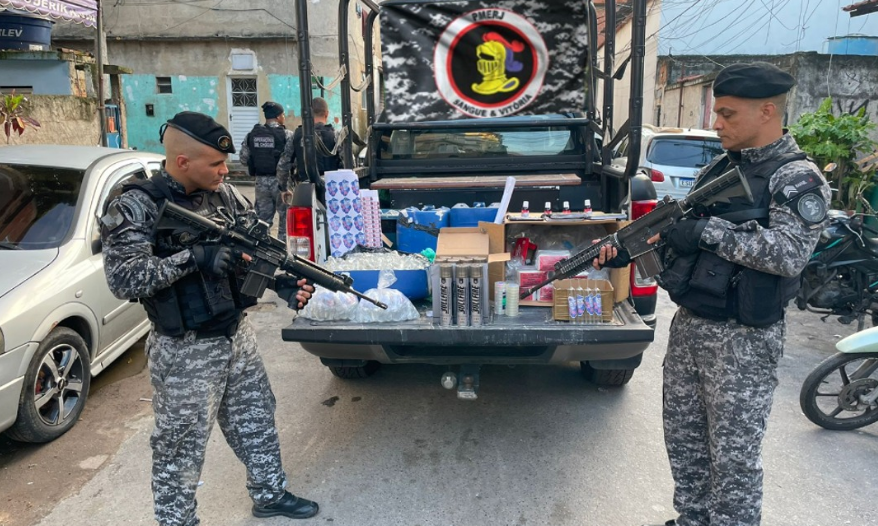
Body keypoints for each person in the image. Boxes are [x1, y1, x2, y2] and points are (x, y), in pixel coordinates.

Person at [595, 62, 831, 526]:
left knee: (733, 459)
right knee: (685, 442)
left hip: (743, 339)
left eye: (727, 114)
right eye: (716, 112)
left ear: (767, 111)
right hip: (692, 326)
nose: (716, 123)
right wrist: (633, 250)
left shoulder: (795, 178)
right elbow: (682, 238)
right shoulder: (721, 168)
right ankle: (692, 519)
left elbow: (788, 254)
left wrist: (708, 233)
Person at [101, 111, 319, 525]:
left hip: (236, 333)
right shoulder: (135, 205)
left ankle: (269, 493)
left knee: (256, 418)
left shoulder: (225, 195)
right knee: (179, 446)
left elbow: (249, 248)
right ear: (183, 162)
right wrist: (193, 258)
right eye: (216, 164)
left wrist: (279, 282)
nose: (225, 170)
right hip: (185, 349)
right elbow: (124, 279)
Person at [240, 101, 295, 238]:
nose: (284, 117)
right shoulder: (287, 135)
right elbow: (292, 160)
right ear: (278, 117)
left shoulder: (252, 135)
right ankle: (283, 246)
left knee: (262, 221)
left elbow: (243, 159)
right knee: (285, 219)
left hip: (260, 182)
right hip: (282, 183)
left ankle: (263, 246)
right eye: (283, 115)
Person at [278, 97, 341, 202]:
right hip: (332, 189)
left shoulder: (296, 135)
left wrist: (284, 188)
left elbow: (283, 165)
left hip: (304, 189)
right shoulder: (336, 135)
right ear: (327, 114)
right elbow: (347, 164)